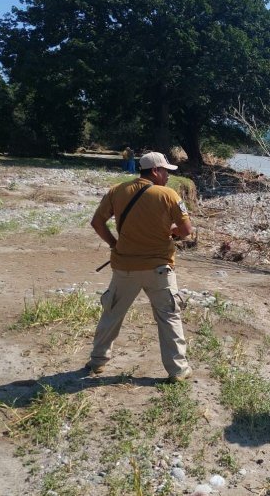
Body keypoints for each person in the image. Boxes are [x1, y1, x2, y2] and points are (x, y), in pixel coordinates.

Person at [87, 151, 194, 382]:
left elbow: (97, 222)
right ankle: (177, 370)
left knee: (111, 314)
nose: (167, 176)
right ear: (155, 171)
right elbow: (186, 231)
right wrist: (171, 231)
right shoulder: (168, 194)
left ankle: (97, 361)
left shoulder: (117, 191)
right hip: (160, 269)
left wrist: (114, 244)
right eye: (165, 171)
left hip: (124, 267)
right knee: (169, 318)